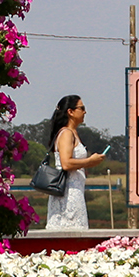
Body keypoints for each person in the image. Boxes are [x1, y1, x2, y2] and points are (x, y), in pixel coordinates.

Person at [41, 95, 107, 231]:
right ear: (70, 112)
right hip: (68, 193)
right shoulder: (66, 133)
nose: (85, 112)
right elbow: (66, 163)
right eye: (81, 108)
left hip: (75, 191)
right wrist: (89, 161)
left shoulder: (73, 133)